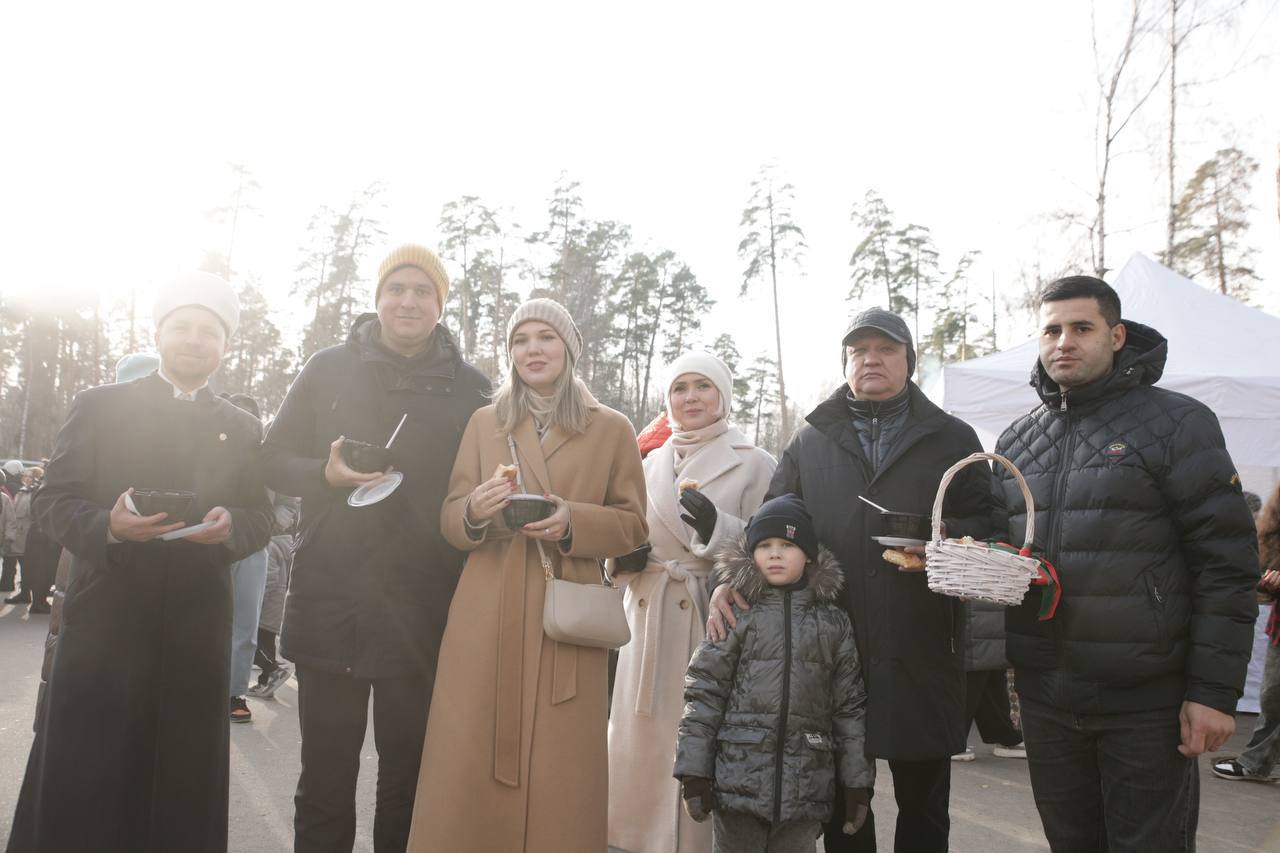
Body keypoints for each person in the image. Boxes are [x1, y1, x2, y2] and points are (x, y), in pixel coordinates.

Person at [707, 307, 993, 853]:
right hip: (831, 645)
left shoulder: (952, 438)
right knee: (842, 807)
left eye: (885, 349)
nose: (871, 360)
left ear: (909, 361)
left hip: (923, 640)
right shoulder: (811, 439)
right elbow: (773, 524)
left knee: (924, 804)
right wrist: (732, 579)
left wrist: (941, 539)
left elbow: (989, 520)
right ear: (845, 364)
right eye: (859, 351)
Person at [7, 272, 273, 853]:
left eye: (209, 331)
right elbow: (53, 499)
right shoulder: (100, 406)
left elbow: (262, 515)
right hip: (106, 623)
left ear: (225, 345)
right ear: (158, 334)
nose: (194, 340)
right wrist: (107, 525)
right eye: (182, 326)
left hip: (195, 631)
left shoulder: (241, 427)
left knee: (180, 783)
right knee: (86, 779)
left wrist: (233, 526)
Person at [992, 275, 1259, 852]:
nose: (1064, 341)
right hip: (1046, 696)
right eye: (1052, 330)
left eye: (1081, 328)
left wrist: (1213, 693)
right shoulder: (1016, 441)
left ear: (1116, 336)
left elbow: (1225, 564)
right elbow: (1005, 554)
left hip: (1144, 700)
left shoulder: (1178, 423)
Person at [262, 244, 490, 853]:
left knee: (409, 780)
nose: (408, 301)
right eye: (396, 289)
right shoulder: (327, 368)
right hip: (330, 598)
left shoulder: (472, 389)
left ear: (441, 304)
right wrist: (325, 474)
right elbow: (272, 459)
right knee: (325, 776)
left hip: (423, 609)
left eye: (422, 291)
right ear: (377, 298)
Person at [405, 298, 648, 853]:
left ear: (569, 348)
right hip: (487, 609)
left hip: (565, 617)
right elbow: (450, 517)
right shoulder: (485, 422)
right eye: (520, 340)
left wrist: (572, 521)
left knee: (563, 767)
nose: (532, 349)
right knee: (468, 752)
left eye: (546, 337)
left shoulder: (610, 427)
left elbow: (634, 525)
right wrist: (475, 509)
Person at [608, 352, 776, 853]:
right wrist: (620, 560)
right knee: (639, 747)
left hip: (714, 617)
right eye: (680, 388)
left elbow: (776, 553)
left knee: (699, 740)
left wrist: (718, 529)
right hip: (646, 617)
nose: (691, 397)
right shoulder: (646, 462)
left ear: (723, 396)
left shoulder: (756, 462)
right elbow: (622, 533)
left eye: (703, 386)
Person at [675, 494, 873, 853]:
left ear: (809, 555)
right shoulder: (735, 613)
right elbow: (704, 694)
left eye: (788, 545)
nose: (775, 554)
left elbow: (849, 708)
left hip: (805, 788)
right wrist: (693, 772)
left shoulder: (832, 622)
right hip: (737, 784)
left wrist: (856, 782)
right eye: (765, 545)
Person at [1213, 484, 1280, 782]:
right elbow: (1262, 581)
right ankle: (1262, 762)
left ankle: (1257, 762)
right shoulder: (1271, 534)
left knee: (1273, 697)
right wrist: (1268, 582)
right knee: (1272, 697)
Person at [224, 392, 269, 724]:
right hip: (208, 544)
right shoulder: (207, 452)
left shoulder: (266, 459)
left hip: (252, 548)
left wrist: (266, 527)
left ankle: (235, 692)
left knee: (245, 624)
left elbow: (284, 504)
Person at [951, 600, 1025, 761]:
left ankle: (1004, 734)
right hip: (977, 603)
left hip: (986, 604)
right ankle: (953, 739)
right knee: (977, 669)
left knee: (990, 671)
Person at [248, 488, 300, 699]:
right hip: (276, 605)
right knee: (266, 640)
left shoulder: (269, 546)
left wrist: (255, 601)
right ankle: (266, 683)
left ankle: (272, 669)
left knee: (249, 641)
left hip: (266, 605)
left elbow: (267, 580)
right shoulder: (287, 542)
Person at [3, 466, 36, 605]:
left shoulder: (33, 493)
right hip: (19, 534)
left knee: (26, 565)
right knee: (22, 564)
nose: (26, 479)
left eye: (30, 476)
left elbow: (32, 514)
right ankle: (24, 593)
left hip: (27, 534)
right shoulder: (21, 492)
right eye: (25, 476)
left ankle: (25, 593)